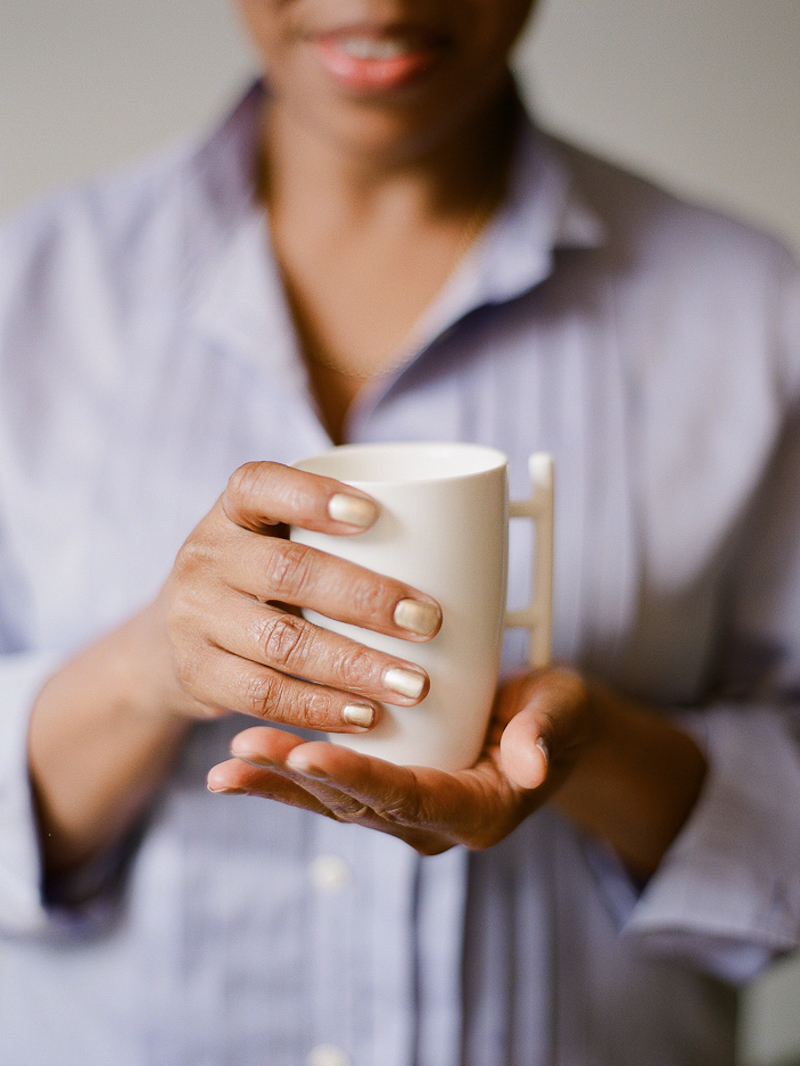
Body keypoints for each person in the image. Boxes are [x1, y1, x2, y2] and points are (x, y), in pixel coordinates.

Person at [0, 0, 799, 1062]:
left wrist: (595, 751)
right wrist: (147, 669)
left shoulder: (749, 312)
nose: (377, 1)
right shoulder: (31, 292)